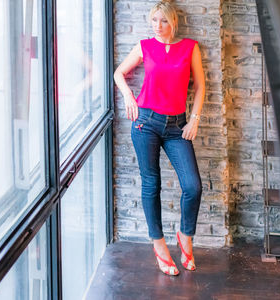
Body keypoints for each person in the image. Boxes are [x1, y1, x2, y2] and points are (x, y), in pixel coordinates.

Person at [113, 0, 205, 276]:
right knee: (151, 184)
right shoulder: (144, 46)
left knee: (193, 186)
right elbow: (119, 73)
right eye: (154, 20)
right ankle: (159, 244)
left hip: (178, 126)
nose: (158, 26)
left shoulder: (190, 48)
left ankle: (185, 235)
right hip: (146, 124)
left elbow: (201, 86)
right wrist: (128, 95)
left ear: (173, 22)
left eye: (163, 20)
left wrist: (195, 120)